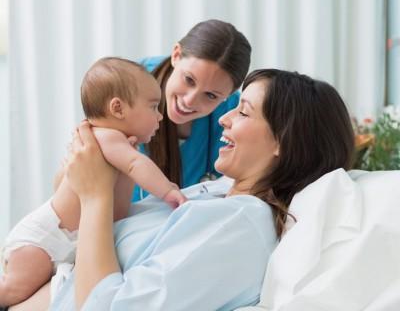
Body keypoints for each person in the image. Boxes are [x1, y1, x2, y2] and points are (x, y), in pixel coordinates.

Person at [12, 68, 355, 311]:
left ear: (283, 140)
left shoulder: (238, 226)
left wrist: (95, 197)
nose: (223, 118)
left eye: (243, 112)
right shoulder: (215, 193)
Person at [0, 57, 186, 308]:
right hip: (46, 238)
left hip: (68, 241)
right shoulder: (107, 138)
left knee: (27, 293)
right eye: (153, 107)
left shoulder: (115, 143)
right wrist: (168, 191)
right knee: (15, 289)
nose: (160, 116)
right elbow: (136, 165)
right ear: (118, 108)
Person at [133, 19, 252, 200]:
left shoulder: (233, 114)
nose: (189, 101)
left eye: (211, 95)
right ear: (176, 55)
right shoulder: (129, 83)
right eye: (189, 79)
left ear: (229, 93)